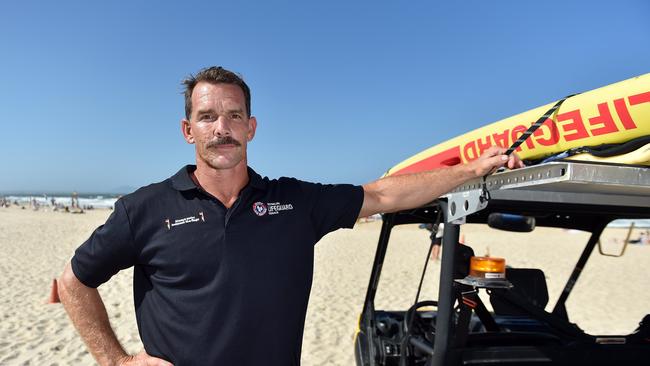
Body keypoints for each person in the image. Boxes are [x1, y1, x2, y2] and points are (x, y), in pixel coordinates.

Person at [58, 66, 523, 366]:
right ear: (187, 130)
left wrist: (474, 169)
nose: (222, 128)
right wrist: (117, 361)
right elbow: (74, 281)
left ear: (251, 127)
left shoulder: (295, 204)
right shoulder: (144, 209)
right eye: (207, 117)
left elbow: (382, 194)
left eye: (234, 116)